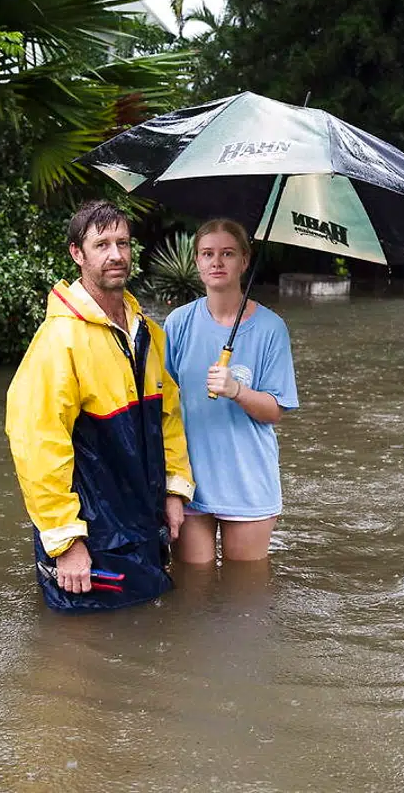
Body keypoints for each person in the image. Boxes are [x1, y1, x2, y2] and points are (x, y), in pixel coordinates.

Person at [5, 200, 195, 612]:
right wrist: (65, 541)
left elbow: (169, 417)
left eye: (122, 243)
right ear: (78, 253)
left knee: (150, 632)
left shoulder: (148, 334)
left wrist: (174, 490)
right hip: (90, 539)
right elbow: (37, 445)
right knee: (81, 644)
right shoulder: (58, 341)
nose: (116, 255)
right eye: (102, 244)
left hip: (144, 525)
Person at [164, 219, 298, 564]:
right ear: (197, 261)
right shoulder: (178, 323)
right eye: (207, 254)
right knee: (192, 584)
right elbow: (163, 404)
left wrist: (237, 390)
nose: (217, 262)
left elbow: (275, 411)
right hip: (190, 481)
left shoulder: (271, 328)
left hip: (248, 480)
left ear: (244, 261)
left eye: (228, 253)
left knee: (245, 589)